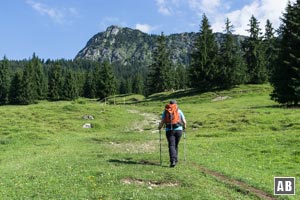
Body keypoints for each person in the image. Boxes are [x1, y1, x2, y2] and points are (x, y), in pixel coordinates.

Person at [158, 100, 187, 167]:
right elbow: (184, 122)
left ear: (169, 104)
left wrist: (159, 127)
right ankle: (175, 160)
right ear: (176, 104)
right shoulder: (179, 111)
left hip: (169, 130)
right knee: (175, 145)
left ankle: (173, 161)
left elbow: (162, 121)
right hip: (179, 130)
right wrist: (184, 127)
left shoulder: (166, 111)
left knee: (171, 145)